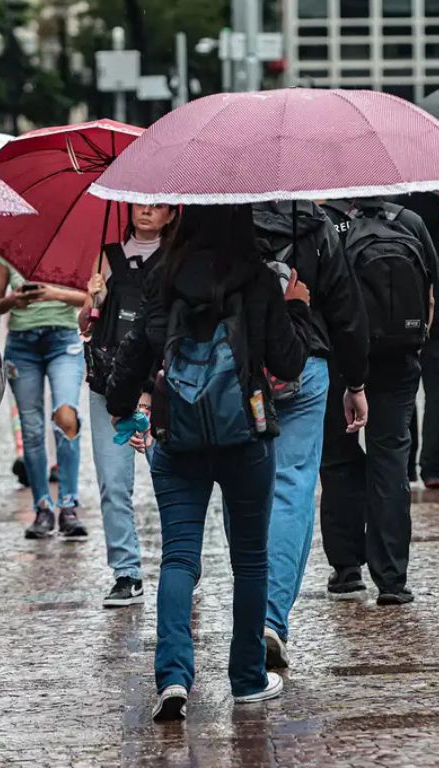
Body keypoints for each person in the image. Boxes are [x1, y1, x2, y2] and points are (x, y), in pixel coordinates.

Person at [105, 204, 313, 721]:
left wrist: (121, 404)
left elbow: (134, 356)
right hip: (245, 433)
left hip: (177, 435)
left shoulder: (164, 277)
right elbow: (289, 362)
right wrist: (298, 308)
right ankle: (246, 680)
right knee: (249, 559)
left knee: (178, 557)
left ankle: (174, 678)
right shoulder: (259, 279)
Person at [252, 199, 369, 668]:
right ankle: (271, 616)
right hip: (306, 363)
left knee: (246, 490)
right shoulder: (315, 223)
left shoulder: (223, 215)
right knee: (294, 488)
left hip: (241, 367)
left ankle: (254, 613)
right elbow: (346, 309)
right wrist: (356, 382)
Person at [319, 197, 439, 604]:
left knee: (338, 458)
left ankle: (346, 569)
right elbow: (428, 296)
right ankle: (392, 579)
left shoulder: (325, 222)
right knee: (390, 460)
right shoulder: (410, 221)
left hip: (340, 359)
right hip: (399, 360)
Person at [83, 203, 177, 607]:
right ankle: (126, 572)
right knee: (112, 482)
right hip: (108, 385)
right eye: (141, 204)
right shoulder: (108, 254)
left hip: (160, 389)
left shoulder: (175, 260)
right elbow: (87, 325)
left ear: (172, 215)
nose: (147, 212)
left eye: (157, 207)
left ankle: (181, 562)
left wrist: (149, 389)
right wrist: (93, 301)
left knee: (170, 481)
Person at [0, 257, 91, 539]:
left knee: (66, 416)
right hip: (22, 346)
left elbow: (90, 296)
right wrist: (12, 300)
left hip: (64, 341)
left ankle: (68, 506)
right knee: (32, 430)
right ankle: (42, 508)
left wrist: (53, 293)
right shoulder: (6, 251)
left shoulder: (70, 248)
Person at [392, 192, 439, 489]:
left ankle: (405, 465)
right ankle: (433, 467)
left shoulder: (395, 212)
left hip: (402, 314)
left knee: (403, 390)